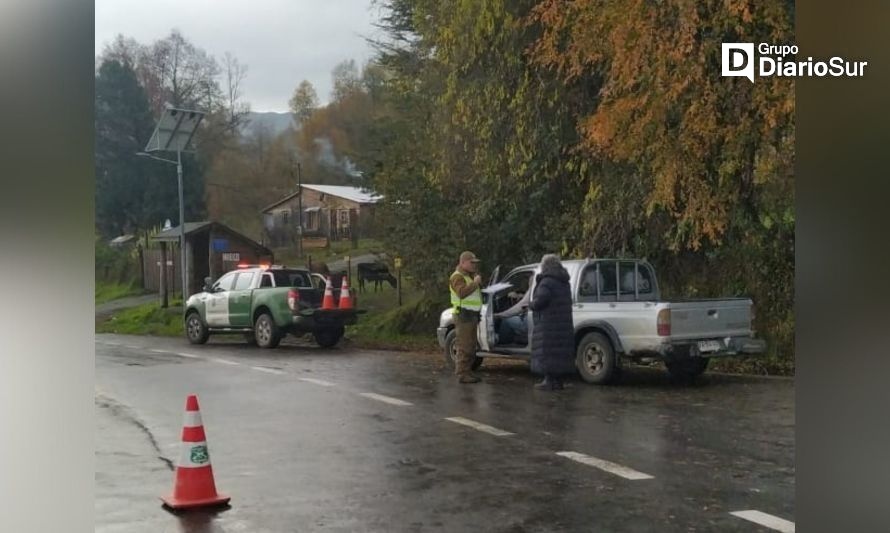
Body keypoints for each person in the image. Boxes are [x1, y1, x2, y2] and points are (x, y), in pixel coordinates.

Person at [528, 254, 575, 390]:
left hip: (549, 324)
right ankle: (558, 381)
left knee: (548, 351)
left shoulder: (547, 282)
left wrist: (531, 304)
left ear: (545, 266)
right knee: (559, 352)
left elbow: (541, 300)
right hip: (562, 323)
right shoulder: (564, 281)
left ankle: (548, 380)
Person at [449, 251, 484, 383]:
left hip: (471, 315)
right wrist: (475, 283)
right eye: (472, 263)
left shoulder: (468, 276)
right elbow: (461, 293)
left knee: (471, 344)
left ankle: (467, 371)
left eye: (475, 263)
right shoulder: (457, 277)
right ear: (463, 262)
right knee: (464, 346)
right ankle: (462, 373)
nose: (474, 265)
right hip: (463, 315)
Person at [494, 281, 532, 345]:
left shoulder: (533, 288)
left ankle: (502, 343)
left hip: (528, 322)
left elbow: (519, 308)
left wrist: (500, 315)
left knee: (506, 320)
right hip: (535, 320)